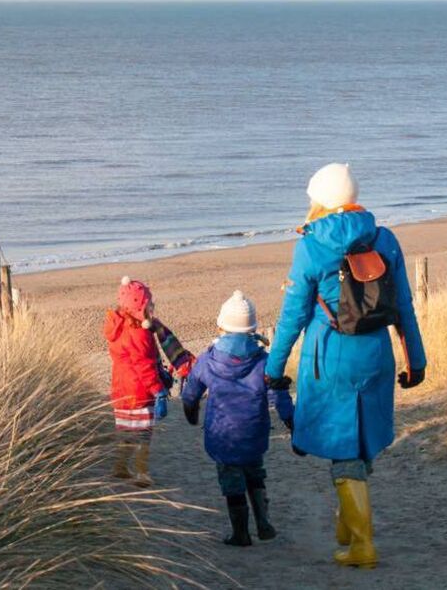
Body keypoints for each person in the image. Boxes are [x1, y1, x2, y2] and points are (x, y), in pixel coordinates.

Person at [265, 163, 427, 570]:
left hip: (331, 359)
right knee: (363, 437)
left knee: (343, 449)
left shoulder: (310, 246)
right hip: (376, 354)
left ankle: (362, 544)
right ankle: (347, 526)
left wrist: (274, 368)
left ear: (320, 200)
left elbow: (292, 317)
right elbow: (404, 306)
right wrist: (417, 361)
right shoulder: (384, 238)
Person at [182, 290, 295, 546]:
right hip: (253, 433)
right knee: (255, 474)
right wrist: (291, 421)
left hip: (223, 435)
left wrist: (191, 412)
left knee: (232, 481)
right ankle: (264, 523)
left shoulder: (209, 359)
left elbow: (191, 391)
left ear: (221, 326)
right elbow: (278, 395)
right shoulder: (264, 361)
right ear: (252, 328)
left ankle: (240, 533)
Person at [102, 276, 194, 487]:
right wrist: (158, 391)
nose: (152, 307)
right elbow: (144, 367)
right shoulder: (139, 333)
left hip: (120, 391)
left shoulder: (119, 326)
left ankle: (120, 467)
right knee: (143, 435)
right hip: (139, 393)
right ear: (139, 307)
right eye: (149, 304)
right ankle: (141, 473)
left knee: (126, 432)